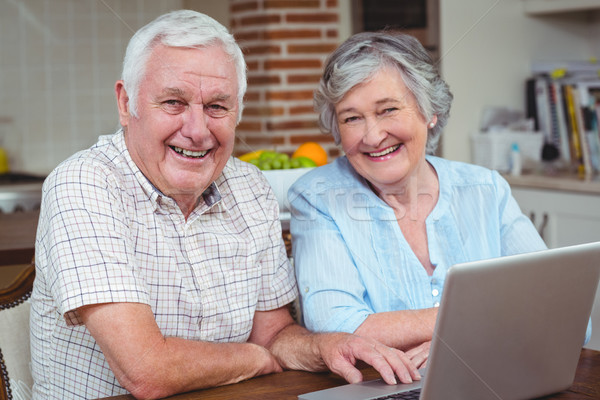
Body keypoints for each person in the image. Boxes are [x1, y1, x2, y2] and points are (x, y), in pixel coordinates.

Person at [30, 12, 421, 400]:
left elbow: (273, 334)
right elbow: (147, 370)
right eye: (173, 102)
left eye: (217, 106)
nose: (197, 130)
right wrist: (253, 358)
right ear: (125, 102)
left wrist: (325, 347)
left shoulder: (248, 187)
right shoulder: (83, 184)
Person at [288, 31, 563, 368]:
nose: (373, 136)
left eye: (388, 109)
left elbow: (562, 313)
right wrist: (469, 328)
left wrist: (471, 341)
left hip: (494, 376)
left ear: (429, 111)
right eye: (352, 118)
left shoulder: (485, 189)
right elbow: (336, 326)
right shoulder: (317, 196)